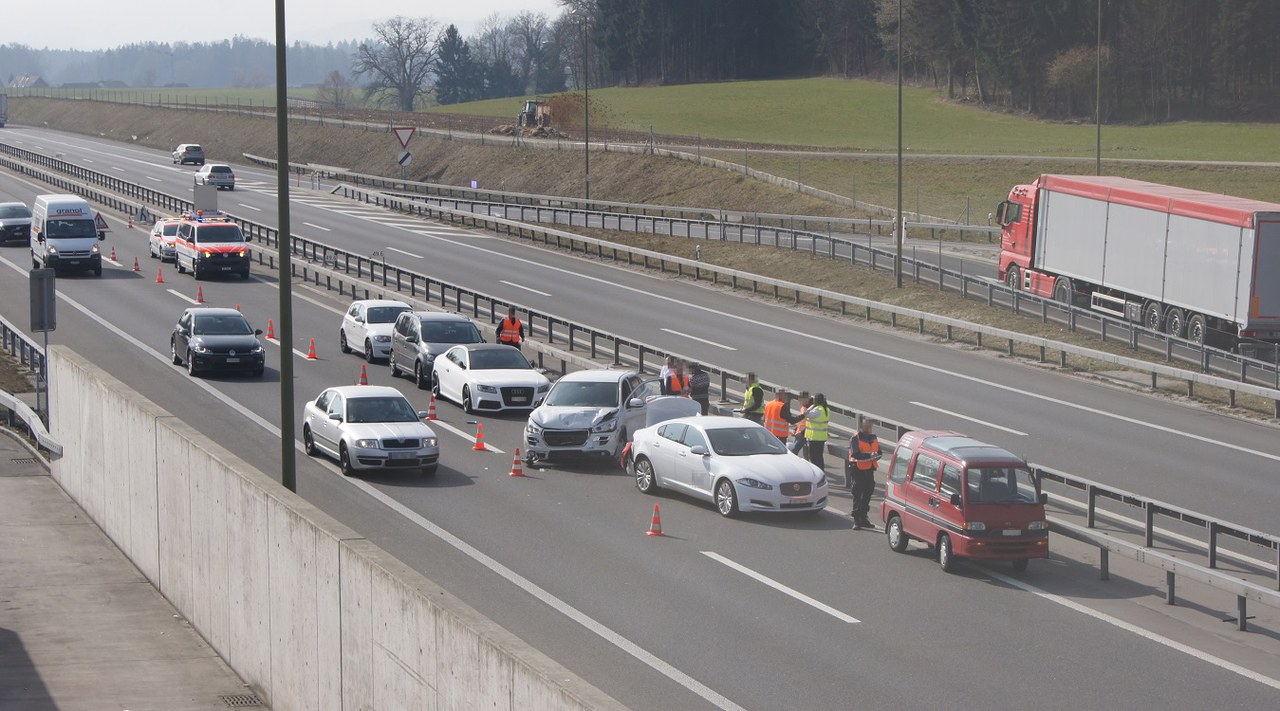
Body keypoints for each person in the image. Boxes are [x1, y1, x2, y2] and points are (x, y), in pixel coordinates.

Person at [847, 418, 882, 530]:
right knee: (857, 494)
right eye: (867, 426)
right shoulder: (855, 438)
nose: (869, 428)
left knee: (867, 494)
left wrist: (876, 455)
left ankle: (864, 517)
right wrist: (869, 456)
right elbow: (855, 454)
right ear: (861, 427)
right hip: (858, 470)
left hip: (869, 470)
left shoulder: (873, 438)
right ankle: (857, 520)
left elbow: (879, 452)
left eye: (870, 426)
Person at [802, 393, 830, 471]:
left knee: (814, 458)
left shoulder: (817, 410)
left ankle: (817, 473)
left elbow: (806, 414)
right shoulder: (826, 409)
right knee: (819, 457)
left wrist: (812, 406)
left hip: (814, 438)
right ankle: (821, 472)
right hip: (821, 438)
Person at [788, 391, 811, 456]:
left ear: (806, 399)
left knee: (794, 451)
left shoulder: (809, 409)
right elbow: (802, 421)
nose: (800, 401)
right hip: (799, 432)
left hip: (803, 434)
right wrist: (796, 429)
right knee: (795, 451)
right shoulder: (803, 407)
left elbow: (809, 423)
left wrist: (801, 432)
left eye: (801, 399)